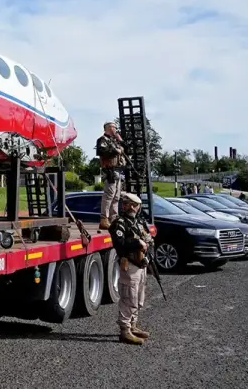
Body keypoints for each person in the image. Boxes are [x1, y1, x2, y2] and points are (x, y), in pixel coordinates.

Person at [108, 191, 151, 345]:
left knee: (138, 298)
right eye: (128, 204)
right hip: (129, 265)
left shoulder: (138, 222)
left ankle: (133, 325)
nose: (132, 207)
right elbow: (119, 244)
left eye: (134, 205)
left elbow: (148, 238)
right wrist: (137, 243)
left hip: (140, 264)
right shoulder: (119, 223)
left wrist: (146, 242)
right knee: (128, 297)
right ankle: (125, 330)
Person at [95, 121, 126, 230]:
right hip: (110, 170)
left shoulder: (115, 140)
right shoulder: (102, 140)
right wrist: (115, 151)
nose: (115, 129)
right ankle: (104, 219)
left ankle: (114, 219)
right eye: (113, 127)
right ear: (108, 128)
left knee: (116, 196)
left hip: (118, 170)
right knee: (109, 195)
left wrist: (120, 140)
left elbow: (125, 148)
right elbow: (101, 151)